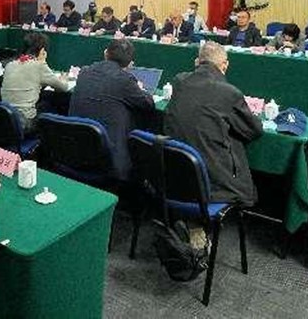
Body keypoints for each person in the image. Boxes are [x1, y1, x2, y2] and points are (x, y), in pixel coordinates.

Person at [165, 42, 262, 208]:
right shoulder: (229, 92)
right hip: (212, 182)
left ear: (197, 62)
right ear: (225, 65)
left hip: (175, 175)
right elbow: (253, 130)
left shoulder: (179, 81)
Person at [68, 39, 158, 181]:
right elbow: (148, 104)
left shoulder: (84, 72)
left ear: (105, 54)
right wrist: (140, 89)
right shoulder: (125, 80)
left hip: (75, 151)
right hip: (109, 159)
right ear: (130, 64)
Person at [0, 33, 70, 131]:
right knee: (52, 103)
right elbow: (63, 87)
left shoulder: (10, 65)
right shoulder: (39, 66)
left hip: (6, 118)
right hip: (25, 122)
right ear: (42, 51)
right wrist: (64, 78)